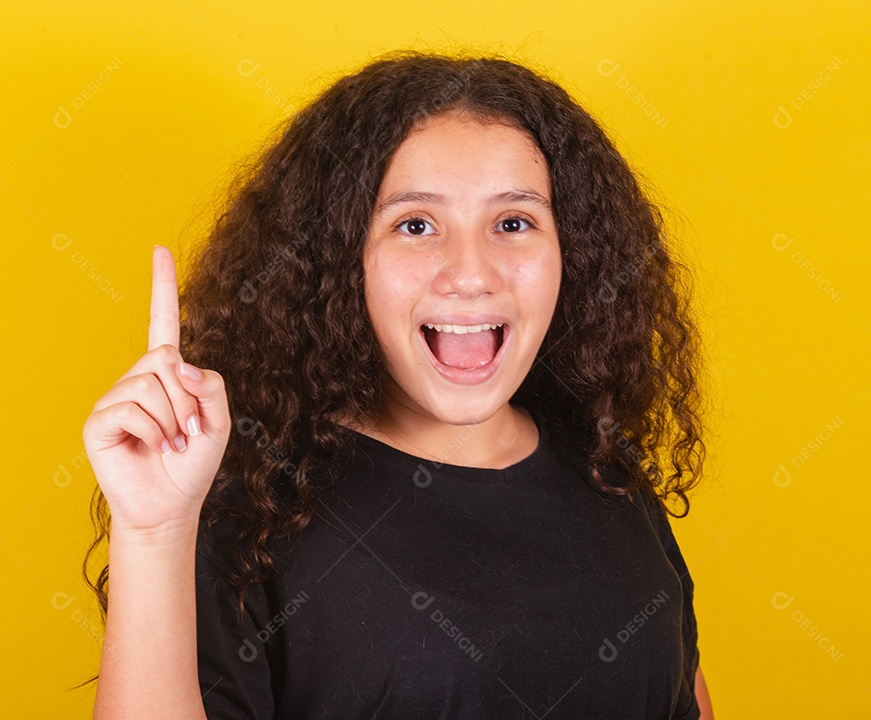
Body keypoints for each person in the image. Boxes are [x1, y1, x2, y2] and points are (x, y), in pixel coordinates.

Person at [81, 50, 714, 719]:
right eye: (415, 225)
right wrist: (154, 535)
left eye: (513, 222)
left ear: (572, 254)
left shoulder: (606, 471)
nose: (471, 273)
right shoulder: (252, 508)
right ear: (339, 257)